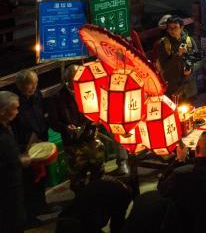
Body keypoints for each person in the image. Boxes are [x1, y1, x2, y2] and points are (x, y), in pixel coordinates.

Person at [47, 65, 104, 193]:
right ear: (67, 80)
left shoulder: (89, 89)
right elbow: (52, 122)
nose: (79, 81)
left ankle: (96, 193)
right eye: (75, 79)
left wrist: (98, 118)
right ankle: (81, 198)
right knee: (78, 174)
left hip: (91, 137)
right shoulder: (56, 98)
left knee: (98, 167)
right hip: (72, 142)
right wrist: (65, 127)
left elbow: (100, 108)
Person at [10, 70, 52, 223]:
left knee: (42, 175)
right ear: (20, 85)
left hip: (40, 139)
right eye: (30, 85)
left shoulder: (36, 94)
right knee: (29, 181)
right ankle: (30, 215)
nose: (34, 87)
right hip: (25, 144)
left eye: (36, 83)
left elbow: (41, 114)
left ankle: (42, 205)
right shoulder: (14, 101)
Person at [55, 177, 133, 233]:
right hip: (78, 227)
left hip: (62, 223)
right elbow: (117, 224)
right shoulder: (123, 193)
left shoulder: (100, 183)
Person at [0, 91, 28, 232]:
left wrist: (24, 149)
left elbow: (11, 148)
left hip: (15, 185)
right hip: (5, 189)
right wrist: (19, 161)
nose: (17, 112)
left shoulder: (7, 127)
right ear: (4, 111)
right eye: (15, 108)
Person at [156, 16, 197, 102]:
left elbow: (197, 60)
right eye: (170, 28)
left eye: (175, 27)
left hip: (189, 87)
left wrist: (190, 69)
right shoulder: (162, 44)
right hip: (173, 89)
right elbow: (164, 67)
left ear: (182, 27)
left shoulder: (189, 40)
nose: (172, 30)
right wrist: (178, 55)